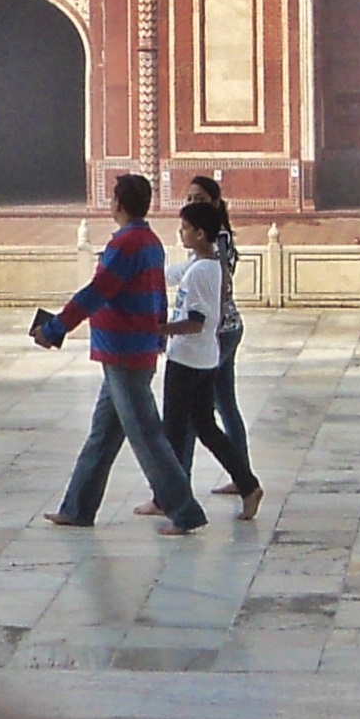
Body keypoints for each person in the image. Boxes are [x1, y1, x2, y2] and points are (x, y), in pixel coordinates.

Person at [31, 173, 204, 534]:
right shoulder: (150, 242)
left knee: (146, 436)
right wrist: (157, 335)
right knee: (103, 434)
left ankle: (185, 512)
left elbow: (97, 292)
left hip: (124, 351)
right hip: (131, 350)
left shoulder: (126, 245)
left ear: (118, 205)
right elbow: (158, 295)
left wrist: (54, 329)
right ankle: (77, 508)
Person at [153, 198, 260, 518]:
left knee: (173, 433)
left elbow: (196, 321)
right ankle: (247, 484)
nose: (181, 233)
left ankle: (176, 506)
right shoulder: (206, 265)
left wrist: (161, 328)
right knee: (205, 427)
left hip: (187, 361)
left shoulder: (202, 272)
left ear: (200, 233)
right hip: (203, 358)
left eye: (185, 228)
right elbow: (169, 274)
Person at [187, 173, 255, 498]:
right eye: (190, 199)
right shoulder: (209, 238)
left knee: (192, 409)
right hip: (228, 328)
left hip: (219, 331)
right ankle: (243, 476)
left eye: (200, 199)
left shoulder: (217, 240)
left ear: (214, 202)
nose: (193, 204)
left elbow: (219, 282)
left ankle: (173, 489)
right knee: (226, 403)